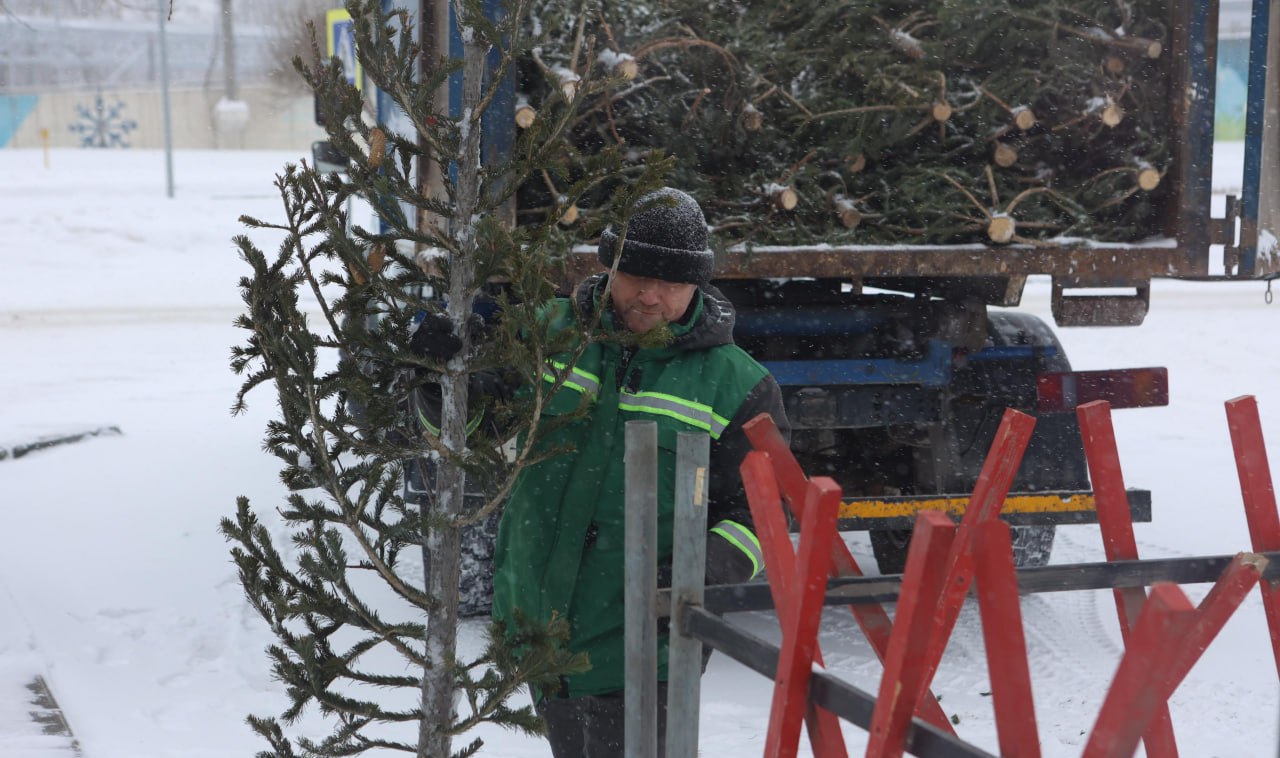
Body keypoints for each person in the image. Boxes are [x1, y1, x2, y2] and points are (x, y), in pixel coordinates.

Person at [410, 188, 790, 757]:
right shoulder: (545, 333)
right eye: (635, 276)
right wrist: (439, 382)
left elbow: (767, 510)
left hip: (650, 636)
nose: (649, 296)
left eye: (672, 284)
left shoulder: (738, 385)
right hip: (542, 624)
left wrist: (701, 568)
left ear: (700, 285)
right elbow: (471, 434)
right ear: (609, 267)